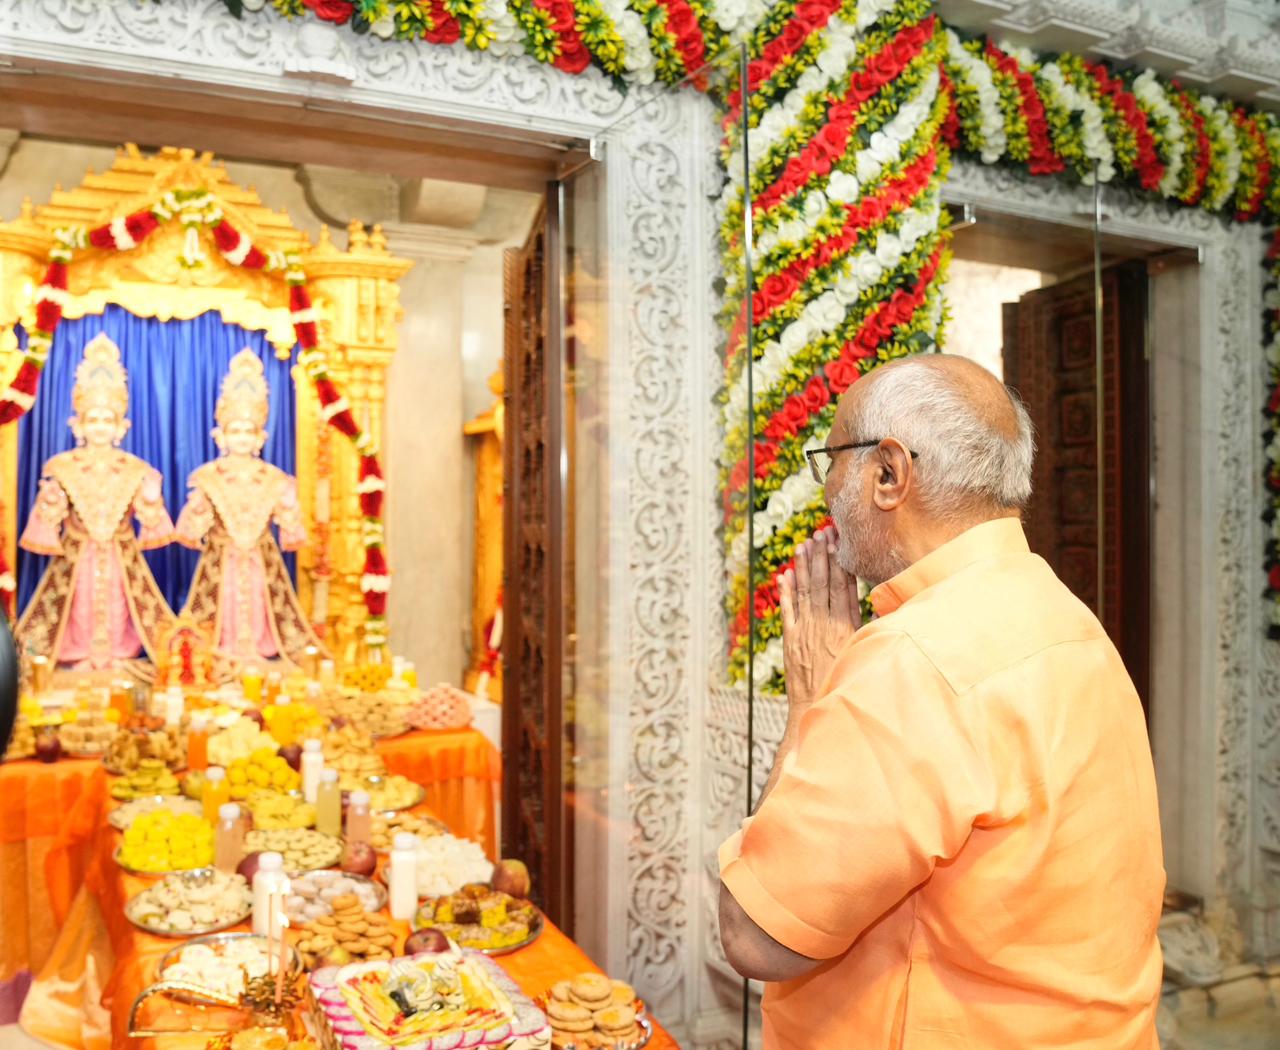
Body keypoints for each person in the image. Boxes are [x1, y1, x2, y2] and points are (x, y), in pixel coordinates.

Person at [718, 354, 1164, 1048]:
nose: (826, 491)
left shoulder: (914, 660)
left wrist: (810, 704)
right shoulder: (1071, 621)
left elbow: (757, 936)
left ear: (889, 473)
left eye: (831, 461)